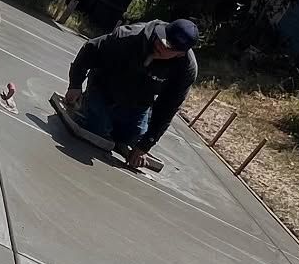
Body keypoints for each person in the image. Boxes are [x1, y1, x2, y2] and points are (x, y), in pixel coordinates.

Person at [62, 18, 199, 170]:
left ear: (180, 54)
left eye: (167, 47)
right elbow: (90, 50)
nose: (160, 45)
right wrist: (75, 85)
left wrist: (144, 146)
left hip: (138, 103)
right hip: (103, 89)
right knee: (98, 129)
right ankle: (87, 106)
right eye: (161, 39)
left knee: (130, 138)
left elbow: (168, 108)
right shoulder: (128, 37)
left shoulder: (186, 70)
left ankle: (124, 124)